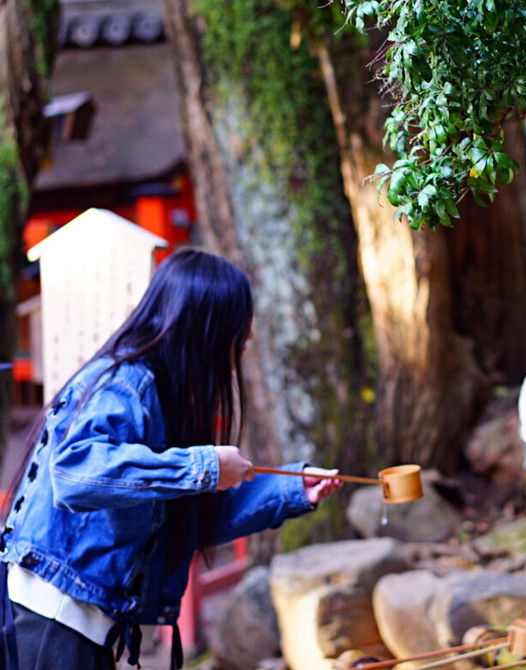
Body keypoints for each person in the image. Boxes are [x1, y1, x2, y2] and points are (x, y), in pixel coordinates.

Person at [0, 248, 342, 669]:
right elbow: (75, 473)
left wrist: (290, 488)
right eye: (240, 325)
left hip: (78, 621)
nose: (247, 338)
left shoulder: (162, 394)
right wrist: (205, 467)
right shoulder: (125, 381)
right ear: (207, 328)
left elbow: (181, 523)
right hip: (51, 614)